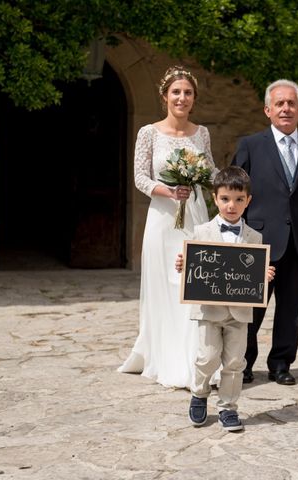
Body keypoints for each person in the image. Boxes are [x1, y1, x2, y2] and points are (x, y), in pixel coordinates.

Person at [118, 66, 216, 389]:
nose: (182, 98)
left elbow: (211, 172)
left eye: (188, 93)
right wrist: (170, 191)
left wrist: (225, 187)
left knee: (194, 283)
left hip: (195, 215)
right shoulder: (148, 133)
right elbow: (140, 177)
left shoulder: (202, 134)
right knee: (165, 286)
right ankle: (167, 357)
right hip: (163, 218)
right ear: (165, 97)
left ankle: (195, 357)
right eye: (176, 92)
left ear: (194, 99)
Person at [232, 79, 298, 386]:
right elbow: (235, 192)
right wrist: (235, 237)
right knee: (251, 309)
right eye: (279, 104)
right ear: (267, 110)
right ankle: (243, 363)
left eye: (291, 104)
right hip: (258, 242)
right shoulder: (250, 145)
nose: (285, 109)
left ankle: (281, 364)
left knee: (291, 308)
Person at [175, 166, 275, 431]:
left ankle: (228, 408)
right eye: (226, 199)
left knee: (234, 362)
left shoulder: (255, 237)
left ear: (248, 201)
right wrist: (184, 264)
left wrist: (263, 273)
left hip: (240, 312)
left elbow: (255, 272)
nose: (232, 205)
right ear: (215, 198)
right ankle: (199, 393)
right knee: (207, 357)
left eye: (239, 199)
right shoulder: (201, 232)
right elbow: (191, 265)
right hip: (209, 310)